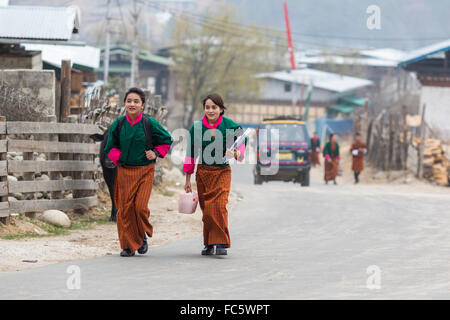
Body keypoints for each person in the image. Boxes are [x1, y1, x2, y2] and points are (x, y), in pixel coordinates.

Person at [104, 87, 173, 257]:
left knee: (140, 207)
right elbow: (110, 146)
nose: (132, 104)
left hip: (144, 170)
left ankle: (142, 234)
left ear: (143, 105)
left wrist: (155, 152)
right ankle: (128, 246)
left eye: (136, 101)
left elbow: (166, 140)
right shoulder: (118, 124)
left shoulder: (149, 123)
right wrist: (117, 156)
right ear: (124, 104)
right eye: (129, 101)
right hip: (124, 171)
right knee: (125, 210)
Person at [183, 93, 247, 256]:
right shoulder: (197, 128)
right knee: (207, 210)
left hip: (222, 172)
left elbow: (242, 139)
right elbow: (191, 153)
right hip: (203, 172)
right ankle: (209, 243)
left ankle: (221, 242)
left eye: (214, 107)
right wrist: (188, 179)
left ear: (221, 109)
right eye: (207, 107)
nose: (210, 110)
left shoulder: (229, 125)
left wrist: (237, 152)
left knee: (217, 206)